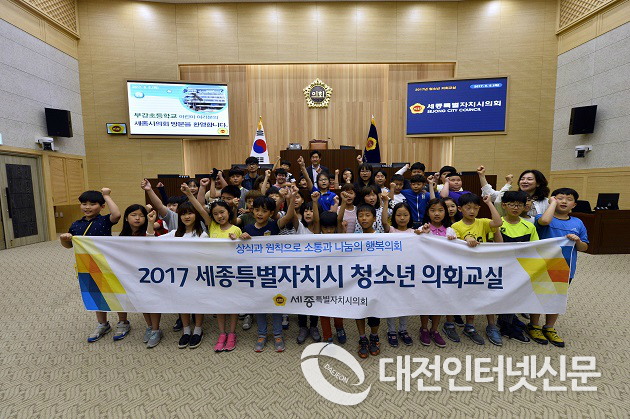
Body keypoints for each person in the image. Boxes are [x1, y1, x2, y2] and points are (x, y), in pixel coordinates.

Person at [182, 184, 242, 352]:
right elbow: (200, 209)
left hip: (231, 273)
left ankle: (232, 333)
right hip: (215, 273)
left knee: (232, 305)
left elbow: (242, 251)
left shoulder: (237, 229)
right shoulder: (212, 226)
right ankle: (222, 334)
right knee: (219, 305)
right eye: (215, 214)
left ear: (228, 212)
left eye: (222, 212)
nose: (219, 216)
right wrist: (189, 194)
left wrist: (239, 239)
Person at [60, 188, 124, 343]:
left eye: (92, 204)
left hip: (107, 264)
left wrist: (106, 196)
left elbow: (116, 215)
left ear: (102, 207)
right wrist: (64, 239)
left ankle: (123, 322)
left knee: (115, 293)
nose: (87, 207)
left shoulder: (104, 221)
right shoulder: (76, 225)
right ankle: (103, 324)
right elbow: (68, 246)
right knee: (96, 295)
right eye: (84, 204)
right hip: (87, 266)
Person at [529, 188, 588, 348]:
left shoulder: (578, 223)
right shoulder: (543, 216)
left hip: (565, 268)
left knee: (556, 297)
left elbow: (584, 247)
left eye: (568, 199)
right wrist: (552, 204)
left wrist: (577, 241)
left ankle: (549, 327)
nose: (564, 201)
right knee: (538, 295)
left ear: (574, 205)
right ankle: (534, 325)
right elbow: (544, 221)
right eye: (559, 198)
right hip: (541, 265)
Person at [240, 192, 297, 352]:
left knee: (276, 304)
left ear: (271, 213)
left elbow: (289, 216)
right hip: (256, 274)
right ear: (252, 211)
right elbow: (239, 247)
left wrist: (291, 199)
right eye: (257, 210)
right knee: (260, 305)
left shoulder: (274, 226)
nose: (260, 213)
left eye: (264, 211)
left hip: (273, 273)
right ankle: (262, 334)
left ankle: (278, 334)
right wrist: (242, 237)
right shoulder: (248, 228)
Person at [451, 193, 503, 346]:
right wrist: (466, 239)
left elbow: (498, 222)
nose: (472, 211)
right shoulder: (456, 226)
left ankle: (491, 325)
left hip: (484, 265)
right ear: (460, 209)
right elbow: (455, 245)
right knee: (470, 296)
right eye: (468, 208)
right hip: (466, 267)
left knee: (488, 295)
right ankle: (469, 325)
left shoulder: (482, 222)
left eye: (475, 208)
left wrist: (489, 203)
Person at [158, 191, 209, 350]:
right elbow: (152, 242)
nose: (187, 217)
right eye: (183, 214)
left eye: (190, 213)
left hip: (197, 275)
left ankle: (198, 330)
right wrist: (151, 223)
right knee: (183, 302)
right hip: (179, 276)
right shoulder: (174, 234)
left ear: (196, 215)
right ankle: (186, 330)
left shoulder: (202, 235)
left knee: (197, 303)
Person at [495, 191, 539, 343]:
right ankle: (505, 324)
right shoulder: (497, 224)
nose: (515, 208)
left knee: (516, 294)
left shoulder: (529, 226)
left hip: (520, 268)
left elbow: (535, 247)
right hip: (501, 268)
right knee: (504, 295)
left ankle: (508, 320)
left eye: (519, 205)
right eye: (512, 204)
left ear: (525, 207)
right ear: (504, 205)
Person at [119, 204, 163, 348]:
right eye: (133, 215)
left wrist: (150, 223)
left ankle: (156, 329)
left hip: (150, 273)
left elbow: (151, 241)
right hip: (134, 274)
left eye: (141, 215)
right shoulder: (122, 236)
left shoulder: (150, 231)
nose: (137, 218)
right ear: (126, 218)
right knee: (142, 300)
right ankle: (149, 326)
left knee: (152, 300)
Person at [416, 198, 457, 347]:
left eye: (440, 210)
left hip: (443, 272)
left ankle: (435, 329)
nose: (437, 213)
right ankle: (424, 328)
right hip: (426, 272)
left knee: (440, 300)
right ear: (428, 212)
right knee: (426, 301)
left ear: (445, 212)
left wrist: (453, 241)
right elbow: (417, 246)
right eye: (433, 210)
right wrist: (423, 234)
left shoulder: (450, 230)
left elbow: (456, 252)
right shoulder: (423, 228)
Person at [382, 201, 415, 348]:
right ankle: (391, 330)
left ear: (410, 216)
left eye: (405, 215)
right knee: (391, 302)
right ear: (393, 216)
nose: (402, 218)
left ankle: (403, 329)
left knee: (404, 302)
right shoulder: (391, 230)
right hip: (391, 273)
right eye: (398, 215)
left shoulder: (414, 233)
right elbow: (384, 221)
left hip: (407, 274)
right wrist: (385, 202)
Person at [294, 192, 322, 344]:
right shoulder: (299, 226)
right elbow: (291, 214)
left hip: (315, 270)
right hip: (300, 270)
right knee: (301, 298)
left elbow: (316, 220)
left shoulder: (317, 229)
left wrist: (314, 202)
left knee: (314, 298)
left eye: (311, 211)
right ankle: (303, 327)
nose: (308, 213)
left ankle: (313, 326)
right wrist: (290, 199)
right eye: (306, 210)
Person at [318, 211, 347, 344]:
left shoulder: (340, 238)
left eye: (331, 227)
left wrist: (343, 203)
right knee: (323, 309)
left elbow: (340, 219)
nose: (329, 231)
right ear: (321, 227)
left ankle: (339, 328)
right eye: (325, 228)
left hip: (337, 280)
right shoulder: (316, 239)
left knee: (338, 307)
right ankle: (327, 335)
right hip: (321, 280)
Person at [480, 168, 550, 218]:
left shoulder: (546, 202)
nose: (524, 181)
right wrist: (482, 176)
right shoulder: (513, 197)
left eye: (529, 179)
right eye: (522, 179)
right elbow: (490, 195)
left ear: (538, 183)